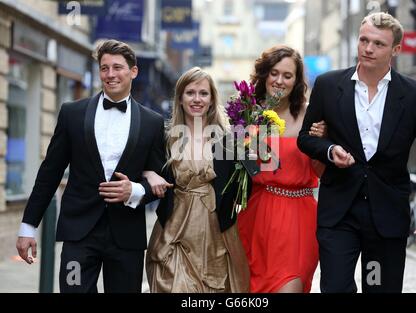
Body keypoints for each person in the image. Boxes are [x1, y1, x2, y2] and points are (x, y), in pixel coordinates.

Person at [298, 12, 416, 293]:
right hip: (339, 214)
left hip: (386, 217)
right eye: (364, 40)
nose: (368, 48)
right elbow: (306, 138)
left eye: (378, 44)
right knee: (335, 287)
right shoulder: (329, 86)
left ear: (396, 50)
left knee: (377, 287)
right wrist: (330, 150)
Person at [16, 40, 165, 293]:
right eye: (104, 68)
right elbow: (49, 173)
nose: (110, 74)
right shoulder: (71, 113)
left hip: (126, 238)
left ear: (133, 71)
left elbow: (160, 180)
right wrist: (28, 226)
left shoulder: (153, 122)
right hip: (79, 234)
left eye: (117, 67)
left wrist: (135, 192)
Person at [143, 67, 250, 292]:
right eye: (190, 92)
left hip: (215, 235)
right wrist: (148, 174)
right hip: (173, 232)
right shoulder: (165, 137)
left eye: (203, 93)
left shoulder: (228, 140)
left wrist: (254, 156)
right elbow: (142, 167)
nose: (197, 99)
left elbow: (247, 186)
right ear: (180, 98)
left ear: (212, 100)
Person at [237, 45, 326, 293]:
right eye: (274, 73)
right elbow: (234, 167)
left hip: (299, 217)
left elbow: (322, 173)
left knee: (291, 285)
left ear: (296, 81)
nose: (279, 81)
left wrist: (321, 144)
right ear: (264, 74)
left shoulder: (311, 116)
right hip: (255, 213)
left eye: (288, 76)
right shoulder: (247, 112)